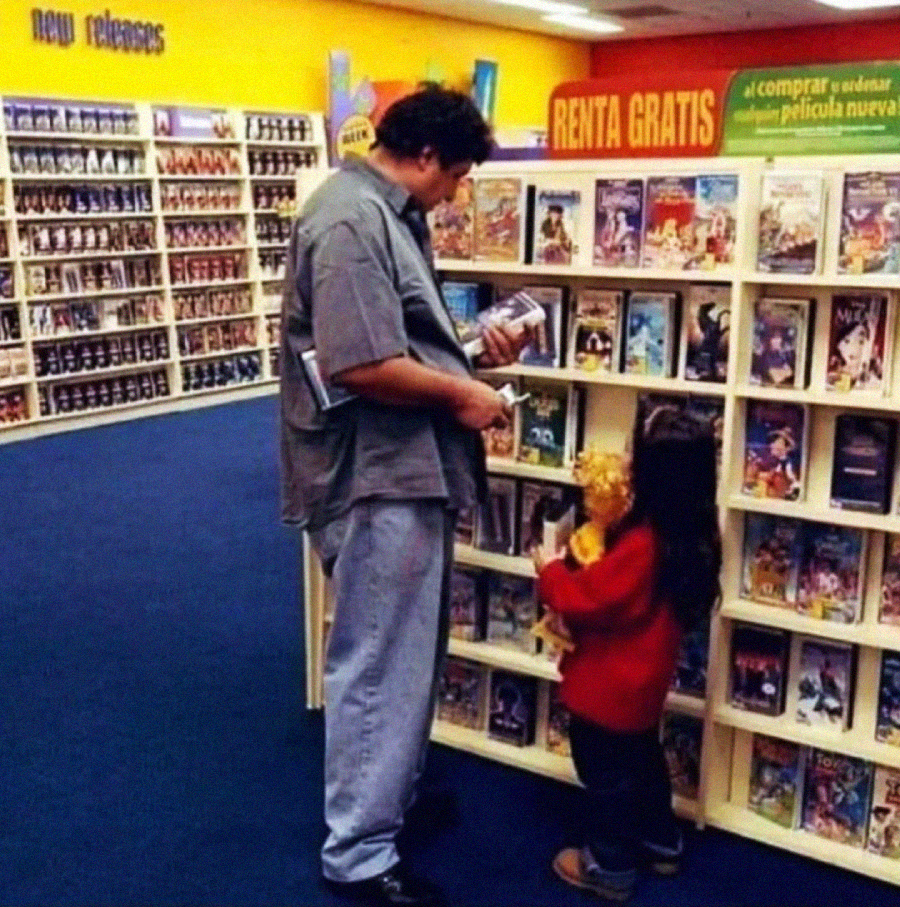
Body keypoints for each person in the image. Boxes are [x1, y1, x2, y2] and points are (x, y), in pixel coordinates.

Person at [279, 86, 529, 907]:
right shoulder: (352, 221)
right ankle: (358, 852)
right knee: (380, 661)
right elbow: (358, 365)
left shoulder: (383, 213)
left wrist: (467, 355)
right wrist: (462, 397)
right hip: (375, 474)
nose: (454, 194)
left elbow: (394, 341)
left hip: (403, 465)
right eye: (453, 176)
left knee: (407, 652)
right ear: (422, 156)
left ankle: (387, 804)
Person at [534, 403, 721, 902]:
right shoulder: (698, 536)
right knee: (643, 761)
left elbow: (587, 598)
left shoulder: (643, 544)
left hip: (606, 690)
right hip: (645, 686)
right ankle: (662, 839)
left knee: (604, 777)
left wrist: (550, 569)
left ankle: (609, 864)